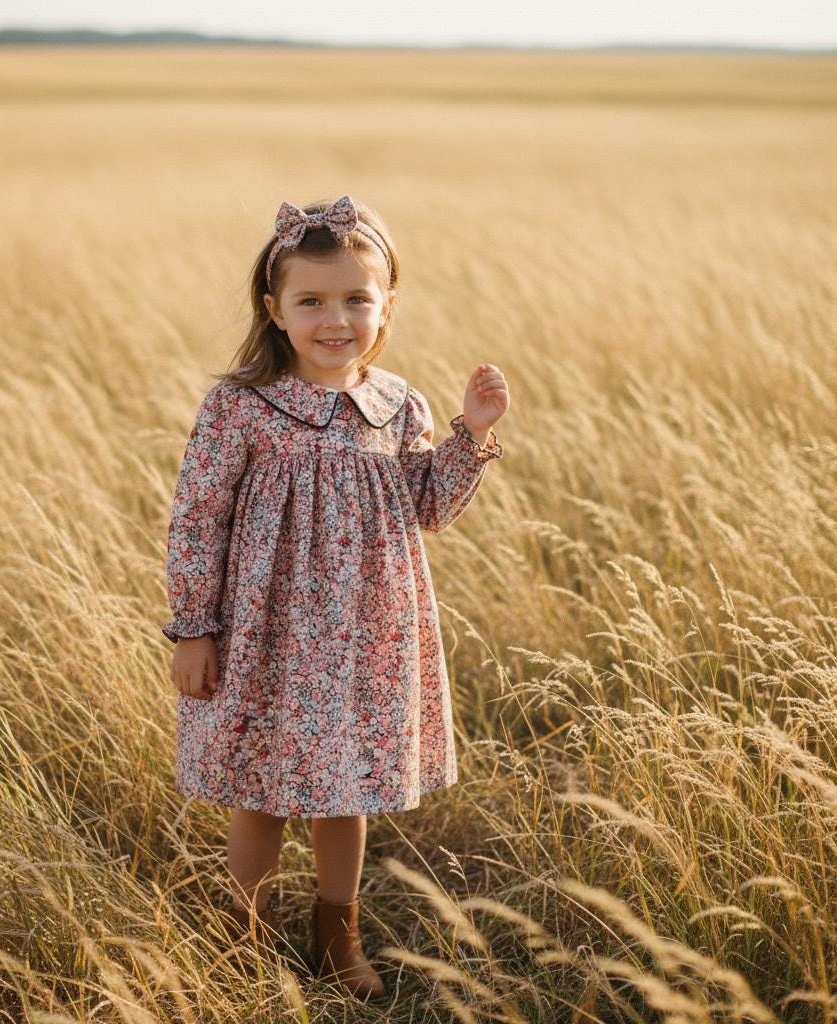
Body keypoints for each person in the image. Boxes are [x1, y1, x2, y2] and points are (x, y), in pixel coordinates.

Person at [161, 194, 509, 1001]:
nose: (335, 319)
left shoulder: (397, 404)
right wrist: (193, 630)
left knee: (343, 789)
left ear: (386, 306)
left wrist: (473, 432)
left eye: (356, 298)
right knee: (261, 791)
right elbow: (197, 519)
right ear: (274, 309)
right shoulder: (242, 405)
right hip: (266, 635)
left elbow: (431, 506)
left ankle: (336, 934)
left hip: (366, 635)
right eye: (312, 300)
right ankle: (237, 935)